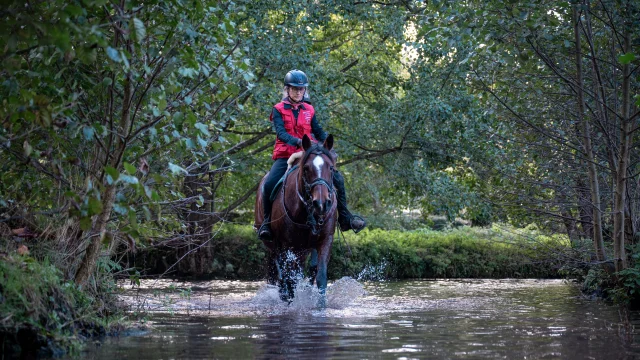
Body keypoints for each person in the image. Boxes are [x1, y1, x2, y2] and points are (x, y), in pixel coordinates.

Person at [258, 69, 366, 240]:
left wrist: (327, 145)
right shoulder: (278, 109)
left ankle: (345, 218)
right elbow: (281, 133)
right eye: (294, 88)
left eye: (301, 89)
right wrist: (299, 142)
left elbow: (317, 130)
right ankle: (266, 222)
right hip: (286, 155)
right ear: (287, 89)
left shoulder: (309, 109)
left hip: (309, 154)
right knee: (269, 183)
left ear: (304, 90)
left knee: (338, 179)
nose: (298, 92)